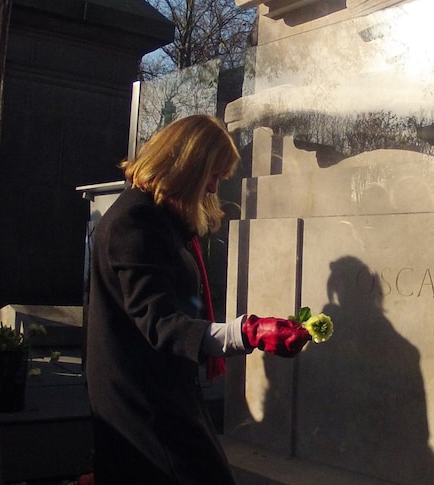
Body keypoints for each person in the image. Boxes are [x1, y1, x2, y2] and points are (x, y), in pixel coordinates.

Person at [86, 114, 311, 484]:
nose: (212, 188)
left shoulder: (155, 218)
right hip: (145, 405)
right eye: (213, 175)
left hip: (159, 396)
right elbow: (160, 323)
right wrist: (247, 333)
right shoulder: (136, 222)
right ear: (187, 165)